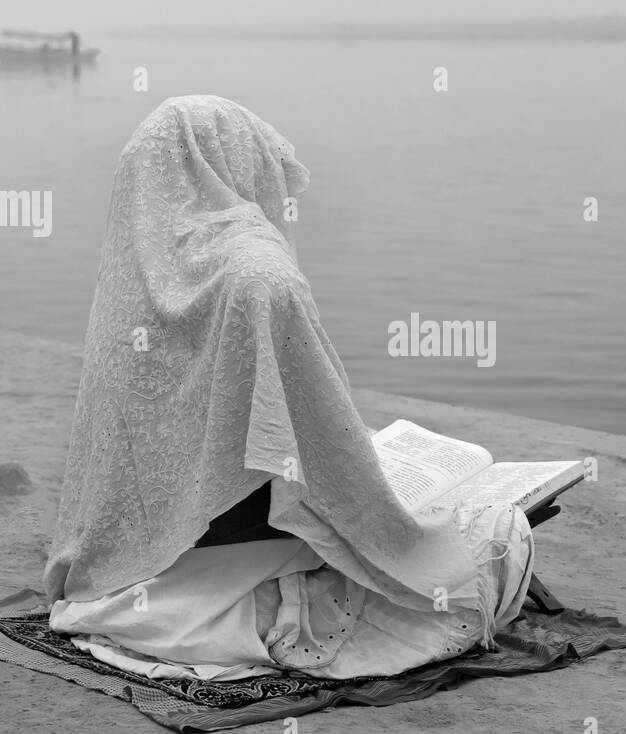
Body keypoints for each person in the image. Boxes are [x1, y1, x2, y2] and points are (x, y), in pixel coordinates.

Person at [43, 96, 534, 681]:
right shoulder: (259, 277)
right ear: (241, 164)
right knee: (497, 528)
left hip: (120, 566)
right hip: (241, 538)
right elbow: (317, 453)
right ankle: (281, 590)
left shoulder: (137, 271)